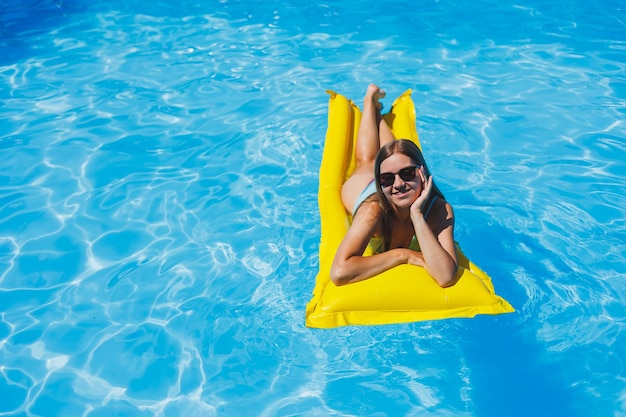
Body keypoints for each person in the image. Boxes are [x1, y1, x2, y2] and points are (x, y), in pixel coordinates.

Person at [330, 84, 458, 287]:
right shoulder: (373, 211)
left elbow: (445, 276)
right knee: (366, 161)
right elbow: (339, 272)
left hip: (389, 191)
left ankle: (377, 113)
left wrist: (416, 214)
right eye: (388, 178)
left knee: (393, 152)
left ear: (422, 172)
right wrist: (402, 255)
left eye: (407, 174)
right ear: (380, 180)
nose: (398, 184)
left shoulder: (438, 209)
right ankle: (369, 102)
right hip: (364, 187)